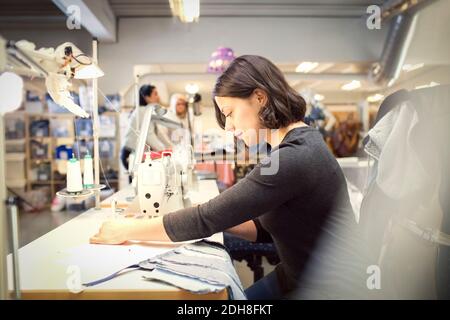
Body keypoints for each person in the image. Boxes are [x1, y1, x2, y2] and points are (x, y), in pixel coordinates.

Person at [91, 55, 367, 299]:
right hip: (298, 276)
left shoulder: (294, 157)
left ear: (260, 98)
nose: (230, 127)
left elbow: (205, 219)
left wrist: (124, 229)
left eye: (230, 114)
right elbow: (264, 228)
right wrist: (218, 214)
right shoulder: (297, 144)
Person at [120, 84, 170, 173]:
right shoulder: (142, 111)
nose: (158, 97)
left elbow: (158, 133)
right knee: (138, 182)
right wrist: (163, 150)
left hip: (136, 153)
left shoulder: (148, 111)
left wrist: (170, 147)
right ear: (147, 97)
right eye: (155, 94)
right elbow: (148, 135)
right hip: (130, 154)